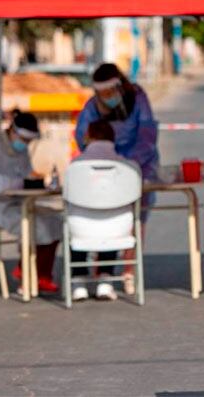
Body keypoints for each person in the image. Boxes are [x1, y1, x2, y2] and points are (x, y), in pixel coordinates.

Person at [74, 63, 159, 295]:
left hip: (139, 165)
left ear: (120, 86)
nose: (106, 98)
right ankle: (103, 272)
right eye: (102, 95)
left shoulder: (138, 99)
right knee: (103, 213)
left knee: (136, 218)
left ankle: (128, 271)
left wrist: (127, 164)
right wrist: (105, 157)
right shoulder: (92, 107)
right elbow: (83, 137)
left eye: (110, 93)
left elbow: (147, 134)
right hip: (105, 167)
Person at [0, 112, 63, 293]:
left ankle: (41, 275)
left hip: (14, 203)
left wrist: (31, 183)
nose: (24, 144)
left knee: (55, 219)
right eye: (22, 139)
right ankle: (27, 276)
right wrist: (5, 183)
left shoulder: (21, 152)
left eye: (28, 141)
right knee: (37, 226)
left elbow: (25, 176)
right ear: (11, 131)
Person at [69, 120, 136, 301]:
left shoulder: (75, 166)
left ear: (88, 137)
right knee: (110, 218)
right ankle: (105, 282)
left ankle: (78, 283)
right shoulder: (128, 167)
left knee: (77, 225)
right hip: (118, 228)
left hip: (80, 228)